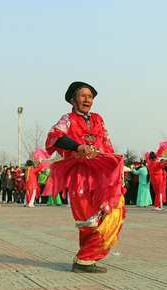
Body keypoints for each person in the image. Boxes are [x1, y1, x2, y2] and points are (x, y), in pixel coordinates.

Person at [43, 81, 126, 273]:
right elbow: (55, 136)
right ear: (73, 100)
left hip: (101, 174)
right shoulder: (67, 119)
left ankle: (86, 258)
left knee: (113, 211)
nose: (87, 99)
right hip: (79, 174)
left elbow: (107, 144)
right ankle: (85, 260)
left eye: (90, 97)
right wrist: (78, 147)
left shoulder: (98, 119)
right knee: (88, 220)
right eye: (83, 96)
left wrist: (116, 171)